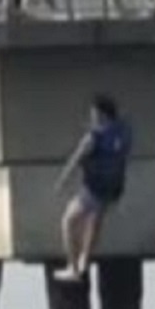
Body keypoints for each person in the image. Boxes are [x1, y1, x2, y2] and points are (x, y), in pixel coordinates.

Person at [53, 94, 133, 282]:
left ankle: (73, 268)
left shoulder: (92, 138)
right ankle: (84, 261)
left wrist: (62, 181)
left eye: (94, 115)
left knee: (68, 221)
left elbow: (75, 159)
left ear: (100, 115)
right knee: (94, 220)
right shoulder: (122, 132)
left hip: (94, 188)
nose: (92, 118)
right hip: (114, 188)